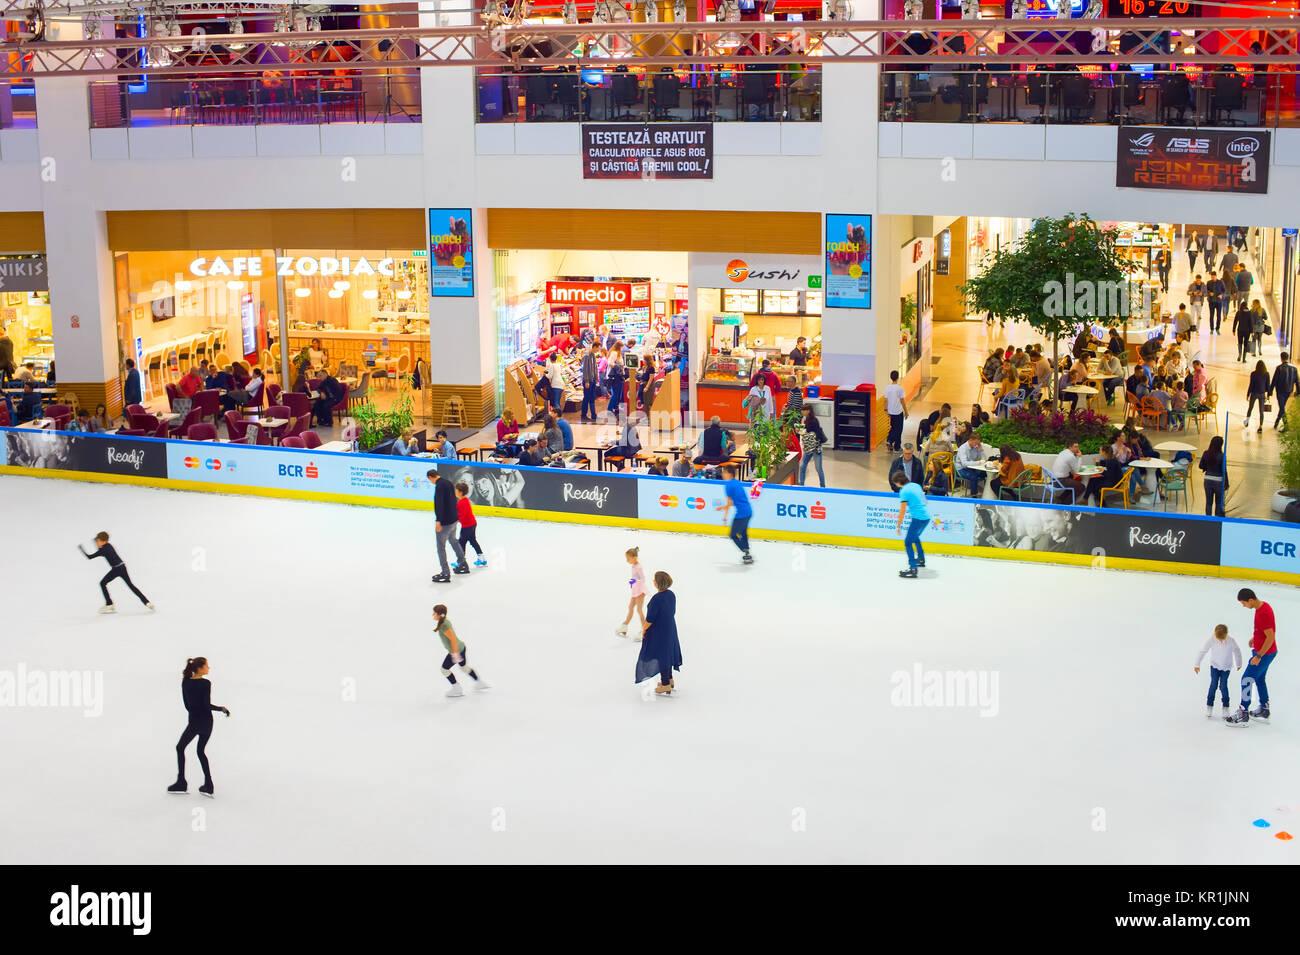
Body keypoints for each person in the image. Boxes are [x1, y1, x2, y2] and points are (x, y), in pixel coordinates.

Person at [166, 657, 229, 797]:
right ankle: (209, 785)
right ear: (200, 668)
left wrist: (195, 713)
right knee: (200, 751)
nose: (209, 668)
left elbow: (187, 706)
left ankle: (181, 782)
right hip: (207, 722)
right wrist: (221, 709)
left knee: (180, 747)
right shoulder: (206, 683)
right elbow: (206, 705)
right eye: (207, 665)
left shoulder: (186, 683)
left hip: (194, 722)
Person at [1226, 589, 1278, 726]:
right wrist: (1255, 637)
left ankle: (1243, 712)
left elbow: (1271, 637)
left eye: (1243, 603)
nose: (1243, 606)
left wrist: (1259, 655)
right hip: (1266, 652)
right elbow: (1265, 630)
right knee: (1260, 679)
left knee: (1247, 679)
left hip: (1264, 654)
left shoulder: (1263, 613)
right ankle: (1264, 709)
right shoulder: (1262, 607)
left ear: (1251, 600)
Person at [79, 531, 154, 613]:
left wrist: (82, 549)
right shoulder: (108, 545)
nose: (97, 543)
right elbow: (100, 548)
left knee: (103, 583)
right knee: (130, 585)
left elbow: (89, 557)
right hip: (121, 568)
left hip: (117, 569)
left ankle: (110, 604)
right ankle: (147, 602)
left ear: (103, 541)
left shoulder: (103, 550)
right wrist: (95, 541)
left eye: (98, 541)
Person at [637, 571, 682, 697]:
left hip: (659, 631)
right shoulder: (671, 595)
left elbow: (650, 619)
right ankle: (670, 679)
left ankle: (665, 683)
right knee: (667, 654)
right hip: (670, 628)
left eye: (654, 580)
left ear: (657, 583)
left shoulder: (656, 599)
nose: (653, 581)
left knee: (661, 655)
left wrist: (644, 629)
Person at [433, 604, 489, 699]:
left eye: (434, 613)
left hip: (456, 651)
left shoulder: (444, 625)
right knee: (463, 667)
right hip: (461, 648)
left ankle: (457, 689)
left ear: (439, 614)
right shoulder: (444, 621)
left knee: (444, 670)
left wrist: (455, 654)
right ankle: (479, 682)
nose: (433, 614)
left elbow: (453, 640)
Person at [427, 465, 468, 583]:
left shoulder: (439, 486)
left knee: (441, 547)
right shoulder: (449, 483)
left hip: (445, 521)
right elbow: (455, 499)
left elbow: (438, 504)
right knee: (453, 540)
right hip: (454, 519)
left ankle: (445, 573)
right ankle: (463, 563)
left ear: (431, 477)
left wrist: (438, 520)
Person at [1195, 623, 1242, 720]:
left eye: (1222, 638)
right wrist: (1197, 664)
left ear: (1226, 634)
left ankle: (1225, 707)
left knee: (1223, 686)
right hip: (1215, 666)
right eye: (1218, 638)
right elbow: (1203, 651)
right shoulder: (1212, 639)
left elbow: (1237, 651)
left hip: (1226, 668)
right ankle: (1209, 705)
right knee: (1213, 685)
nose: (1220, 640)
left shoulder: (1231, 641)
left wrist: (1239, 663)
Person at [892, 470, 930, 579]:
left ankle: (913, 568)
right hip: (926, 517)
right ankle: (921, 559)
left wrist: (898, 525)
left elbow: (902, 511)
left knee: (908, 542)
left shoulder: (904, 491)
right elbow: (925, 500)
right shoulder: (916, 485)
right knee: (915, 536)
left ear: (898, 482)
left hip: (918, 518)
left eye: (896, 484)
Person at [717, 464, 753, 565]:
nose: (722, 474)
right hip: (749, 511)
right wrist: (723, 507)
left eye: (724, 472)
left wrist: (724, 518)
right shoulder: (737, 483)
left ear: (729, 474)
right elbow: (738, 500)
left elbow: (729, 504)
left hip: (741, 514)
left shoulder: (728, 486)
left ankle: (746, 553)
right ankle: (746, 552)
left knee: (733, 535)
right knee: (743, 533)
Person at [616, 546, 648, 638]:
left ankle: (644, 629)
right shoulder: (634, 565)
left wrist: (634, 581)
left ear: (635, 558)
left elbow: (642, 579)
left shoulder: (639, 567)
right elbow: (635, 577)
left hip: (640, 590)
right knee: (630, 607)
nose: (627, 561)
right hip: (635, 590)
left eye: (628, 559)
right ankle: (624, 626)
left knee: (639, 610)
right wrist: (633, 581)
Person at [454, 482, 486, 567]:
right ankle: (482, 558)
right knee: (473, 541)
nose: (455, 492)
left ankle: (460, 562)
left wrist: (454, 519)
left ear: (460, 492)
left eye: (456, 490)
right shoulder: (465, 500)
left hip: (467, 526)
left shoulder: (462, 502)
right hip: (472, 524)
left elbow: (462, 515)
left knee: (461, 543)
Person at [1199, 435, 1228, 517]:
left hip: (1208, 480)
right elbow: (1224, 471)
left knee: (1208, 503)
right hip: (1218, 481)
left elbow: (1201, 466)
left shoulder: (1206, 453)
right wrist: (1226, 483)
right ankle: (1217, 520)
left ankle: (1208, 520)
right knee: (1218, 503)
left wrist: (1206, 467)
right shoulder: (1222, 456)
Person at [799, 406, 828, 487]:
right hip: (814, 447)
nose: (802, 411)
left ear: (808, 411)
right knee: (816, 468)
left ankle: (802, 484)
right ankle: (822, 486)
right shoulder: (808, 420)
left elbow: (809, 433)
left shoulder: (812, 421)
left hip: (813, 447)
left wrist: (802, 432)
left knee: (807, 466)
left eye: (803, 410)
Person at [1270, 351, 1298, 431]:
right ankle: (1277, 422)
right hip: (1289, 391)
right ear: (1288, 358)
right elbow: (1297, 381)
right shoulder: (1294, 368)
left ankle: (1286, 425)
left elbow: (1274, 380)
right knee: (1282, 407)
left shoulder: (1279, 368)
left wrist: (1270, 391)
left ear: (1281, 358)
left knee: (1282, 408)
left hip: (1280, 391)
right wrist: (1298, 391)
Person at [954, 432, 987, 497]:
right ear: (970, 440)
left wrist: (981, 450)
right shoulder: (963, 448)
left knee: (984, 473)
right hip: (961, 468)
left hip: (971, 467)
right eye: (976, 443)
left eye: (978, 443)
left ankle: (986, 493)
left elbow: (983, 459)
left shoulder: (976, 447)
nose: (976, 445)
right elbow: (964, 463)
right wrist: (978, 462)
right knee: (973, 476)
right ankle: (974, 495)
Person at [884, 369, 907, 453]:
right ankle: (897, 447)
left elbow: (885, 400)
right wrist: (906, 412)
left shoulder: (887, 388)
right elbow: (902, 401)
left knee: (893, 427)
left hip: (890, 411)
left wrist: (886, 410)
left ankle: (890, 439)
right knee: (899, 429)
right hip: (898, 412)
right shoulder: (900, 388)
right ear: (897, 378)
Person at [1244, 359, 1270, 433]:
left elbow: (1251, 385)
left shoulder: (1253, 374)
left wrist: (1248, 394)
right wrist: (1268, 395)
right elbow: (1268, 385)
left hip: (1254, 393)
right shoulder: (1266, 374)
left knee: (1250, 408)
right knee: (1261, 411)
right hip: (1262, 394)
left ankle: (1246, 422)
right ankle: (1260, 426)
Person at [580, 339, 599, 422]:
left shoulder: (593, 355)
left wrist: (596, 377)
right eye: (597, 349)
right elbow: (585, 369)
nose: (598, 350)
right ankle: (583, 415)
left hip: (593, 380)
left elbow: (595, 367)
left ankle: (593, 415)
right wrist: (586, 380)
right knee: (586, 398)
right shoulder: (586, 355)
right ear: (594, 347)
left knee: (592, 398)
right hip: (588, 381)